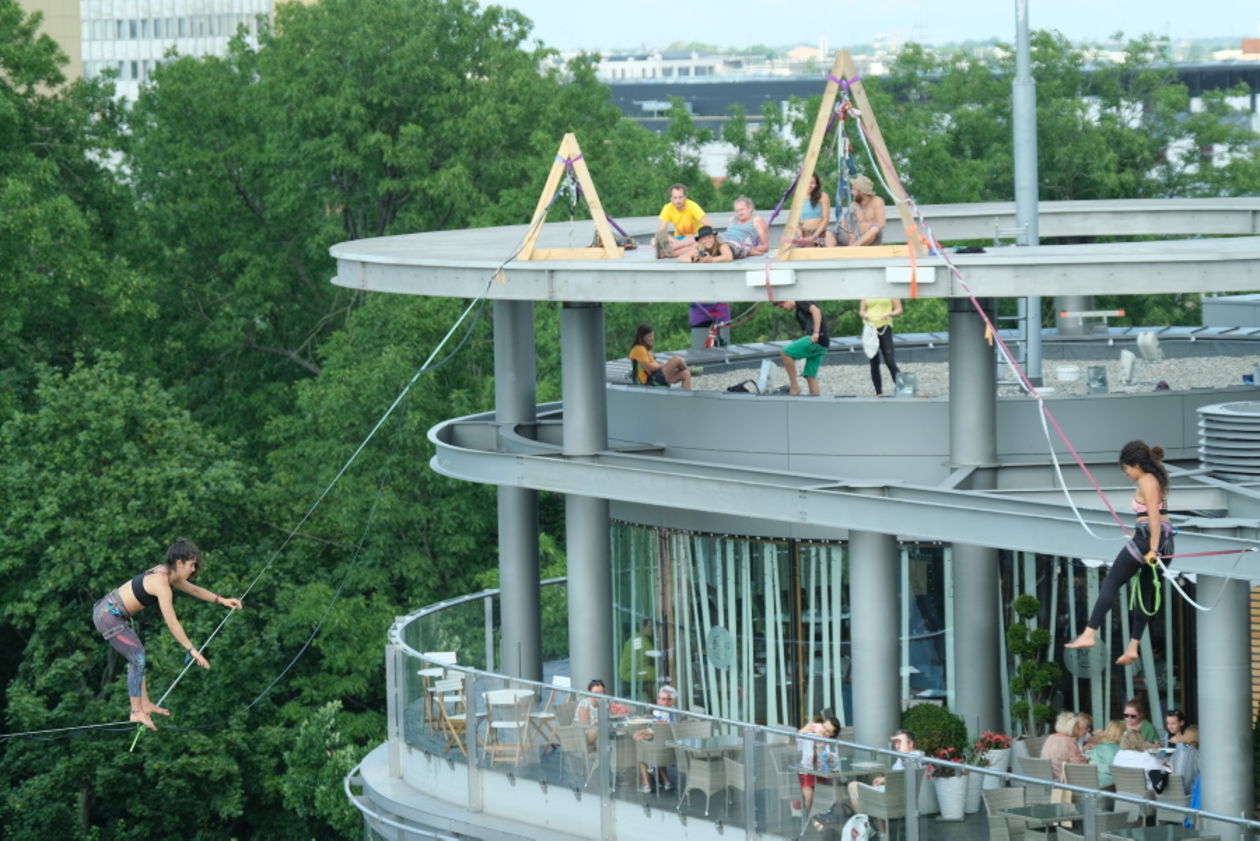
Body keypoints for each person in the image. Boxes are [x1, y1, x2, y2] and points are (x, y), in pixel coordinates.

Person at [91, 539, 243, 730]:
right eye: (191, 565)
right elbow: (171, 622)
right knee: (137, 658)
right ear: (179, 563)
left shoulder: (167, 572)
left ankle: (144, 703)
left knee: (137, 656)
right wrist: (191, 649)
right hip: (107, 616)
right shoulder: (161, 584)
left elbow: (194, 589)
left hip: (112, 614)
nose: (194, 569)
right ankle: (136, 712)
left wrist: (222, 600)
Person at [1066, 441, 1174, 666]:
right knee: (1144, 596)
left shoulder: (1147, 481)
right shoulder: (1155, 479)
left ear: (1136, 464)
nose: (1126, 474)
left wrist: (1152, 548)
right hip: (1163, 541)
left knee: (1112, 583)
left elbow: (1153, 517)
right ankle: (1132, 648)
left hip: (1149, 540)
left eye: (1126, 469)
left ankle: (1089, 633)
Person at [848, 730, 920, 813]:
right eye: (895, 743)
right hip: (893, 795)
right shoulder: (903, 758)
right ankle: (874, 824)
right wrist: (884, 779)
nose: (897, 746)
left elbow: (905, 773)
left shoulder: (913, 758)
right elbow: (898, 775)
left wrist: (886, 780)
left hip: (892, 799)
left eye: (900, 742)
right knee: (867, 786)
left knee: (853, 786)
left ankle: (862, 820)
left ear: (910, 744)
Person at [774, 300, 830, 396]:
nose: (783, 309)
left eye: (782, 305)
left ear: (788, 299)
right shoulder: (798, 313)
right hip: (823, 344)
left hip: (816, 339)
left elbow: (816, 311)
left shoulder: (800, 301)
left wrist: (816, 333)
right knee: (810, 375)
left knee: (785, 353)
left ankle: (795, 386)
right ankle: (815, 401)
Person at [633, 685, 678, 793]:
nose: (659, 701)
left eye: (663, 699)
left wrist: (645, 732)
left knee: (640, 751)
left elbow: (659, 728)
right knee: (638, 736)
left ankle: (647, 783)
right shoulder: (672, 712)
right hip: (667, 746)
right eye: (659, 698)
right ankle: (666, 781)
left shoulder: (667, 713)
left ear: (671, 701)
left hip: (663, 745)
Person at [796, 714, 841, 814]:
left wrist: (824, 750)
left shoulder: (831, 744)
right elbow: (796, 744)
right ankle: (808, 818)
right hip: (807, 772)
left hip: (824, 773)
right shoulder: (809, 735)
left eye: (828, 731)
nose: (824, 731)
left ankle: (823, 816)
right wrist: (803, 730)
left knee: (831, 794)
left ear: (832, 735)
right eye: (824, 727)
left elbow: (834, 763)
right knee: (809, 795)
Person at [655, 183, 711, 261]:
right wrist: (677, 242)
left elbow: (708, 225)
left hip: (693, 238)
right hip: (678, 239)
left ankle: (666, 253)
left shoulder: (693, 206)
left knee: (697, 245)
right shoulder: (667, 208)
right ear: (671, 198)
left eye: (680, 197)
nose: (678, 200)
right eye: (675, 198)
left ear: (685, 197)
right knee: (653, 241)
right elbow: (661, 231)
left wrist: (698, 237)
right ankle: (671, 250)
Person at [859, 298, 903, 396]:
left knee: (890, 360)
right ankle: (878, 392)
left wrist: (890, 314)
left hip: (884, 326)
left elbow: (899, 309)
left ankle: (902, 388)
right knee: (874, 360)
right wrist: (864, 315)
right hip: (870, 327)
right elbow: (862, 310)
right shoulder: (866, 292)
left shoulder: (889, 291)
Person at [826, 174, 886, 247]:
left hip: (871, 238)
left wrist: (867, 229)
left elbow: (882, 223)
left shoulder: (877, 201)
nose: (851, 192)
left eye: (854, 190)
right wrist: (852, 236)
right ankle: (835, 254)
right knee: (829, 231)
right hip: (856, 237)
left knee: (875, 228)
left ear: (862, 192)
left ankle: (853, 247)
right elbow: (844, 223)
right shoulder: (853, 204)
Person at [628, 324, 692, 389]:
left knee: (685, 373)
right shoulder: (639, 349)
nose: (652, 338)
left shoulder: (646, 350)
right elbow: (649, 368)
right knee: (677, 359)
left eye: (653, 336)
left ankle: (686, 397)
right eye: (649, 336)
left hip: (657, 376)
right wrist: (663, 366)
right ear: (642, 337)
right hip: (651, 380)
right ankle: (690, 369)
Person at [1040, 711, 1088, 780]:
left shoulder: (1050, 738)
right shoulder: (1068, 741)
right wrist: (1086, 760)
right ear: (1071, 726)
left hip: (1049, 779)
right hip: (1065, 782)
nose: (1079, 728)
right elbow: (1080, 768)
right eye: (1077, 726)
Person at [619, 619, 657, 698]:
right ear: (643, 627)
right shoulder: (641, 640)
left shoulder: (636, 638)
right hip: (630, 672)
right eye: (650, 626)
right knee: (657, 673)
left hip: (632, 671)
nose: (652, 629)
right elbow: (655, 654)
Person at [791, 173, 831, 245]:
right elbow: (794, 221)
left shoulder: (823, 196)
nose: (810, 185)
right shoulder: (798, 198)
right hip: (805, 234)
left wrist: (814, 236)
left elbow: (826, 219)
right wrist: (800, 234)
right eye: (807, 182)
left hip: (820, 234)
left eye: (812, 183)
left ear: (816, 184)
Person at [1086, 719, 1125, 788]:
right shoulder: (1124, 751)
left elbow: (1084, 761)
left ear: (1106, 731)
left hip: (1097, 786)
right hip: (1118, 787)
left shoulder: (1096, 749)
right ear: (1123, 733)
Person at [1170, 725, 1199, 791]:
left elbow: (1172, 769)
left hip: (1176, 793)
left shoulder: (1177, 752)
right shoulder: (1197, 754)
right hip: (1191, 794)